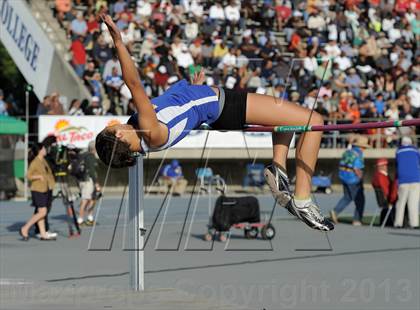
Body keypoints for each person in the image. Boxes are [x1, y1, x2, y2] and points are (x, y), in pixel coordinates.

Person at [95, 14, 334, 231]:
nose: (116, 122)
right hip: (225, 107)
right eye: (113, 127)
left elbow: (178, 111)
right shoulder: (150, 133)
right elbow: (134, 84)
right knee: (313, 120)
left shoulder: (141, 129)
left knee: (285, 118)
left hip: (215, 104)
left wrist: (194, 90)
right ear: (119, 136)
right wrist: (117, 40)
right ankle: (302, 199)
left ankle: (278, 170)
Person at [330, 135, 370, 226]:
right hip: (353, 180)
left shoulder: (347, 152)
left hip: (343, 177)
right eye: (364, 147)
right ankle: (357, 220)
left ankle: (335, 211)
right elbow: (357, 168)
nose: (364, 149)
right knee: (360, 200)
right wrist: (360, 178)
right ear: (361, 146)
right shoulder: (358, 154)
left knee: (347, 197)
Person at [20, 144, 56, 241]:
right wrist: (38, 177)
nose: (45, 150)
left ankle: (43, 234)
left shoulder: (43, 160)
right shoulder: (35, 162)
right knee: (43, 212)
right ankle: (25, 228)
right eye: (44, 148)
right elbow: (27, 176)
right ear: (40, 150)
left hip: (45, 188)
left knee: (41, 212)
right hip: (37, 189)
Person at [394, 136, 420, 228]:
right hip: (415, 179)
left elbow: (397, 164)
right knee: (413, 203)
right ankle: (414, 224)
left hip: (403, 180)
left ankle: (398, 223)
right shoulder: (416, 150)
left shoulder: (398, 151)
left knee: (401, 203)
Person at [78, 141, 100, 226]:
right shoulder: (90, 157)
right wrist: (96, 183)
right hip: (88, 181)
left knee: (92, 199)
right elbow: (92, 171)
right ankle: (80, 220)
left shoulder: (84, 155)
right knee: (85, 200)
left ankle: (90, 218)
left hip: (84, 180)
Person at [371, 158, 398, 226]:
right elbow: (385, 190)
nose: (386, 167)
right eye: (385, 165)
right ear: (381, 166)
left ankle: (385, 222)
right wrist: (392, 198)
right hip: (386, 199)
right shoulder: (381, 176)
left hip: (383, 200)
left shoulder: (377, 176)